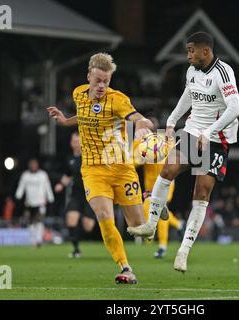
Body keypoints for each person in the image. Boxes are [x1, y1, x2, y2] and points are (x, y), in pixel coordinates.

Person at [127, 32, 239, 273]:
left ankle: (183, 252)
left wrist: (209, 132)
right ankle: (150, 224)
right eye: (187, 50)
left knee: (201, 192)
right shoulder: (191, 72)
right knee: (168, 169)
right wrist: (171, 121)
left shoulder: (223, 72)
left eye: (192, 50)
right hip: (193, 131)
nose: (188, 55)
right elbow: (187, 97)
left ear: (206, 51)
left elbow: (235, 108)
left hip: (217, 138)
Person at [47, 53, 154, 284]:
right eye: (97, 80)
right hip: (93, 170)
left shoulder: (117, 100)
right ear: (89, 77)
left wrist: (144, 126)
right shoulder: (78, 94)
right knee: (104, 216)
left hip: (121, 168)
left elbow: (137, 117)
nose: (102, 86)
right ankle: (125, 267)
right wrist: (66, 121)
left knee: (140, 228)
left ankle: (153, 204)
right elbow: (84, 117)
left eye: (106, 81)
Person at [133, 117, 184, 259]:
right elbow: (132, 162)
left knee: (160, 210)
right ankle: (178, 224)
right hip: (150, 185)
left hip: (166, 181)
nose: (148, 127)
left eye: (150, 124)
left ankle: (162, 247)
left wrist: (160, 153)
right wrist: (141, 158)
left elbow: (175, 157)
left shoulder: (165, 139)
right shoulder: (139, 142)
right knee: (147, 210)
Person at [54, 132, 96, 258]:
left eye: (78, 141)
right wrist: (61, 184)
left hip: (90, 195)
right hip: (76, 195)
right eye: (74, 141)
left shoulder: (89, 157)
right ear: (71, 143)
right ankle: (76, 249)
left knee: (88, 226)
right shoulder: (70, 159)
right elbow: (68, 175)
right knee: (71, 219)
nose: (76, 144)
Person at [15, 158, 54, 247]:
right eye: (32, 165)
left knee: (39, 221)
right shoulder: (25, 175)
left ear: (37, 166)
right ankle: (33, 240)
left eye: (35, 165)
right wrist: (18, 196)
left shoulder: (43, 175)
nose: (33, 167)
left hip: (40, 202)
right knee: (30, 222)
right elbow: (21, 186)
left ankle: (39, 239)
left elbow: (47, 186)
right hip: (29, 202)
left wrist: (50, 197)